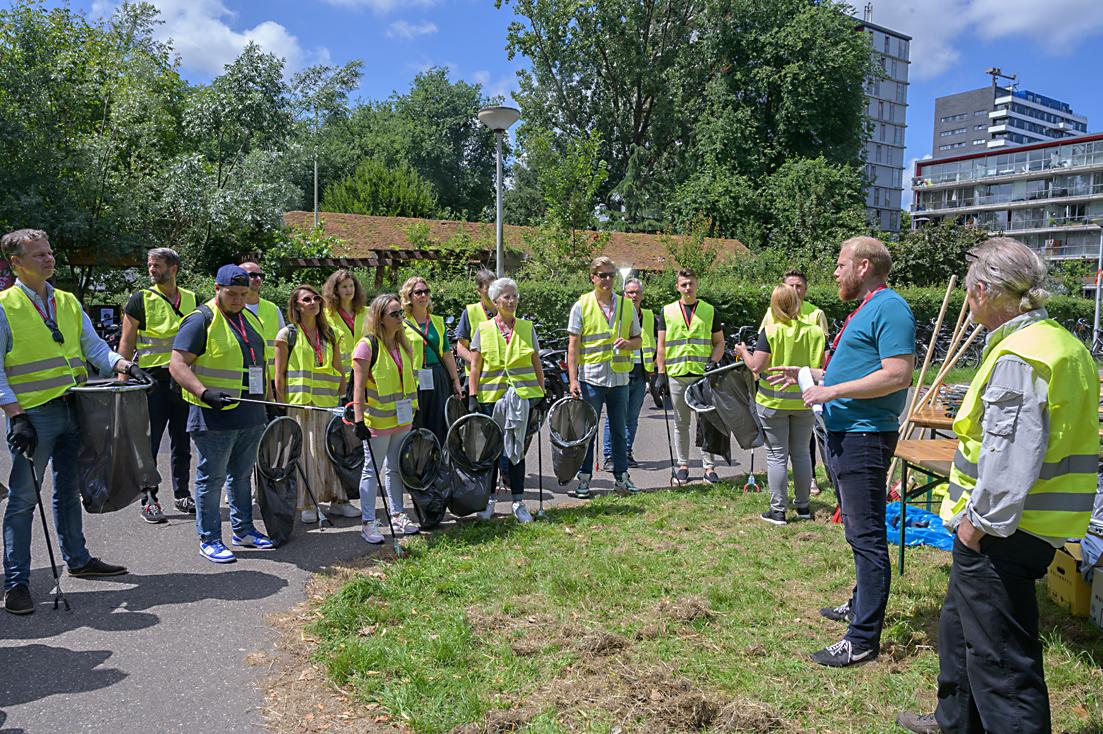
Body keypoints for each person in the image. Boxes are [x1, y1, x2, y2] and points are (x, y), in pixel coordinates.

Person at [896, 239, 1099, 734]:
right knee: (960, 629)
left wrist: (976, 526)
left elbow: (1012, 457)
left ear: (983, 292)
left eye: (969, 292)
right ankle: (954, 721)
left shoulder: (1020, 356)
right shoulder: (1060, 343)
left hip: (1004, 531)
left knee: (1002, 663)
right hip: (1022, 525)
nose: (967, 302)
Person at [768, 236, 915, 667]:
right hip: (845, 433)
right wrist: (807, 373)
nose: (835, 272)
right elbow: (854, 368)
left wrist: (829, 389)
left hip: (864, 437)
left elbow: (897, 375)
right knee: (855, 528)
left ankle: (863, 639)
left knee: (867, 536)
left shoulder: (890, 308)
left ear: (864, 266)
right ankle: (859, 603)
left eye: (840, 264)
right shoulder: (866, 309)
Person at [1, 229, 138, 614]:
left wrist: (122, 363)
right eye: (39, 255)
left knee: (69, 490)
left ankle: (77, 560)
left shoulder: (66, 301)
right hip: (34, 416)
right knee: (24, 500)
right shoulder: (3, 306)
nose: (49, 260)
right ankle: (16, 584)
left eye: (49, 252)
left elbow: (94, 347)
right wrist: (16, 416)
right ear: (16, 262)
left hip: (74, 407)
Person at [169, 264, 275, 564]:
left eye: (244, 294)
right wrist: (203, 392)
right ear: (216, 288)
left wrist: (268, 401)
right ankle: (210, 539)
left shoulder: (252, 320)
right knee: (211, 479)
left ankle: (243, 531)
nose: (238, 300)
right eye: (231, 294)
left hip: (251, 414)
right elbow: (176, 365)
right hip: (213, 415)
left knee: (241, 477)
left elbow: (260, 365)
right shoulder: (200, 319)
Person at [117, 247, 198, 523]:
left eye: (157, 266)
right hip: (152, 382)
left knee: (182, 441)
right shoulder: (140, 299)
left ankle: (182, 494)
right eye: (150, 265)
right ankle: (148, 497)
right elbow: (126, 343)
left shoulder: (192, 299)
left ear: (173, 268)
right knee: (149, 443)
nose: (152, 270)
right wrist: (122, 383)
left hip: (184, 380)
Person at [735, 284, 825, 525]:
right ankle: (803, 506)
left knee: (777, 455)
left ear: (774, 306)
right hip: (805, 400)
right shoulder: (815, 332)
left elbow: (756, 366)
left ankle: (778, 511)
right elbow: (821, 366)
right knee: (802, 453)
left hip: (773, 401)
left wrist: (743, 351)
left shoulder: (770, 331)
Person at [274, 285, 356, 523]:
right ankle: (307, 503)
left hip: (328, 403)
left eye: (316, 299)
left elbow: (339, 368)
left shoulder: (330, 333)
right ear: (297, 306)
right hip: (302, 405)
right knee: (307, 455)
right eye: (306, 299)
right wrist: (281, 403)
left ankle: (339, 500)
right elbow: (279, 374)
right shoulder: (286, 335)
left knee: (332, 452)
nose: (313, 303)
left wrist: (343, 398)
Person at [467, 277, 546, 522]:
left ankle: (518, 502)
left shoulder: (526, 327)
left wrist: (541, 393)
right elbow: (476, 367)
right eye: (506, 297)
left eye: (514, 296)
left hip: (521, 397)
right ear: (495, 301)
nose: (511, 301)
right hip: (492, 397)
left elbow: (536, 363)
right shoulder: (484, 329)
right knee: (491, 451)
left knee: (516, 450)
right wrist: (472, 396)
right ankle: (489, 501)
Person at [567, 256, 642, 498]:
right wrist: (573, 379)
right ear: (593, 277)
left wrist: (629, 344)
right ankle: (584, 479)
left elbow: (639, 340)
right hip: (591, 378)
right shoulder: (582, 305)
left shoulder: (626, 306)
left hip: (619, 378)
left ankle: (622, 478)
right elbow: (573, 346)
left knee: (620, 430)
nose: (607, 279)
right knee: (587, 431)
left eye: (611, 275)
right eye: (602, 275)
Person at [350, 294, 421, 544]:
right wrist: (359, 420)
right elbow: (358, 388)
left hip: (402, 418)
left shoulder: (403, 344)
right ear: (380, 318)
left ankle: (398, 514)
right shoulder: (366, 346)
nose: (401, 317)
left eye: (401, 312)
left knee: (395, 468)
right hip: (377, 421)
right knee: (372, 469)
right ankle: (368, 522)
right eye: (395, 314)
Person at [760, 269, 830, 495]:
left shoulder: (815, 314)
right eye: (790, 286)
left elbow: (823, 357)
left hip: (796, 394)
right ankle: (801, 503)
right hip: (791, 395)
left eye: (798, 286)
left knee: (785, 452)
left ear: (806, 289)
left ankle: (785, 502)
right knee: (796, 451)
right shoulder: (771, 315)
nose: (794, 290)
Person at [654, 268, 726, 485]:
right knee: (680, 423)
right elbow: (662, 346)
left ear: (697, 285)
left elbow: (719, 342)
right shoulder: (667, 311)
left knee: (706, 422)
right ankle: (682, 465)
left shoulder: (709, 311)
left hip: (701, 376)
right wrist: (660, 374)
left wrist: (712, 363)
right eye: (683, 284)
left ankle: (709, 467)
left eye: (691, 283)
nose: (688, 288)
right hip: (677, 375)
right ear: (677, 287)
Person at [400, 276, 462, 444]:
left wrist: (455, 380)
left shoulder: (438, 321)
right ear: (409, 297)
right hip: (414, 379)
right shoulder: (401, 324)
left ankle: (438, 464)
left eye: (426, 292)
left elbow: (446, 352)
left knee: (439, 424)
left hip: (438, 376)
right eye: (418, 292)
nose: (423, 296)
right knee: (416, 424)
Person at [600, 277, 654, 470]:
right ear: (624, 294)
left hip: (641, 371)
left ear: (642, 295)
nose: (633, 296)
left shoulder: (648, 316)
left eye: (637, 292)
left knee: (632, 417)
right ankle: (609, 455)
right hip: (621, 368)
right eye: (630, 292)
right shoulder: (618, 312)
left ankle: (626, 452)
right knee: (614, 416)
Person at [239, 261, 284, 389]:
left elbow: (284, 345)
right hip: (243, 376)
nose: (258, 279)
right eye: (252, 275)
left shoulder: (273, 309)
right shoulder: (233, 308)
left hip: (272, 378)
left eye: (261, 275)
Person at [322, 268, 367, 370]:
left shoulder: (367, 313)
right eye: (344, 287)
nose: (349, 290)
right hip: (340, 373)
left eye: (351, 286)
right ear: (335, 290)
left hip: (365, 372)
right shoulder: (326, 315)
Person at [454, 268, 497, 366]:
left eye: (495, 287)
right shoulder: (470, 312)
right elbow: (461, 349)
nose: (493, 291)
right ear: (479, 290)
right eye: (488, 288)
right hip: (477, 375)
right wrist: (476, 364)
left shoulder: (506, 311)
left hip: (501, 375)